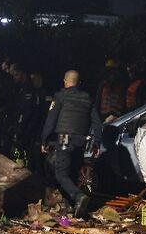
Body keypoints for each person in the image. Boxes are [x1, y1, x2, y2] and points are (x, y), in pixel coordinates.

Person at [40, 70, 102, 219]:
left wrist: (44, 140)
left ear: (65, 81)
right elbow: (97, 123)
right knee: (73, 175)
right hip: (81, 142)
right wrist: (97, 144)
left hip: (64, 140)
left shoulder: (60, 96)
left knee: (61, 174)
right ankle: (74, 209)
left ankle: (79, 196)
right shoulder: (87, 98)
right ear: (78, 82)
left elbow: (51, 121)